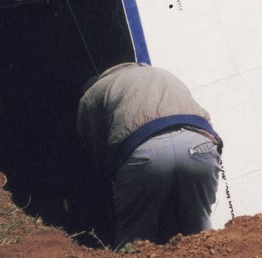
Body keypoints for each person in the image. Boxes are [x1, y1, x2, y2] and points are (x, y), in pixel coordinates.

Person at [77, 62, 223, 247]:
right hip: (200, 145)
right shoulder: (161, 72)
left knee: (135, 240)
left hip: (145, 152)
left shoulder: (92, 93)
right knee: (200, 232)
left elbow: (96, 151)